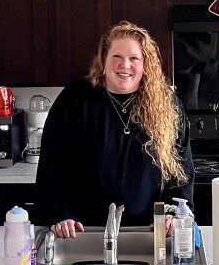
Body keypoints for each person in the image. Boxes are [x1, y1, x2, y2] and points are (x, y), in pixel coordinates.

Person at [35, 21, 194, 239]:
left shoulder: (167, 104)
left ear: (145, 64)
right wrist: (60, 212)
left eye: (134, 59)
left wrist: (173, 214)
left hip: (148, 233)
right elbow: (53, 163)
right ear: (104, 60)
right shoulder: (75, 98)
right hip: (82, 232)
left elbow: (181, 170)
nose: (124, 65)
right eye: (116, 57)